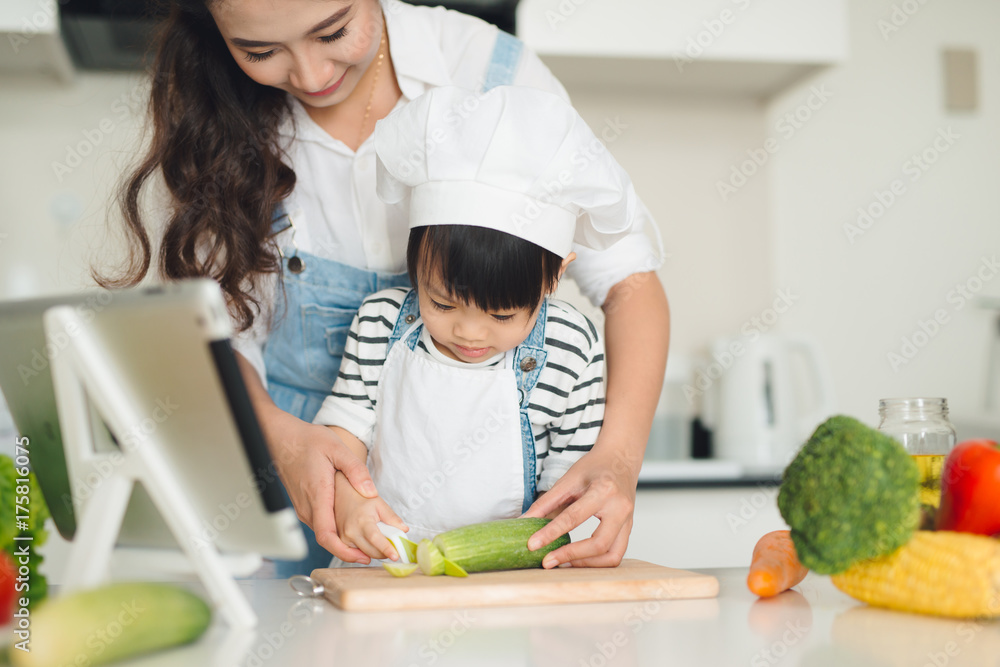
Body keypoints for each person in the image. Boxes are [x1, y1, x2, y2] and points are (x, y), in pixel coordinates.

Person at [106, 0, 670, 576]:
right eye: (260, 51)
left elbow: (631, 284)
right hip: (281, 466)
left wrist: (618, 458)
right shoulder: (214, 112)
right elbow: (216, 333)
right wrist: (285, 441)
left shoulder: (485, 69)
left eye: (333, 32)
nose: (311, 76)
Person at [315, 85, 631, 563]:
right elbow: (344, 434)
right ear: (414, 263)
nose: (469, 333)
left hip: (510, 575)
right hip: (384, 563)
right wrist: (351, 500)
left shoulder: (572, 347)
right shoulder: (379, 323)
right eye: (441, 304)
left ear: (554, 276)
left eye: (502, 315)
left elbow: (574, 482)